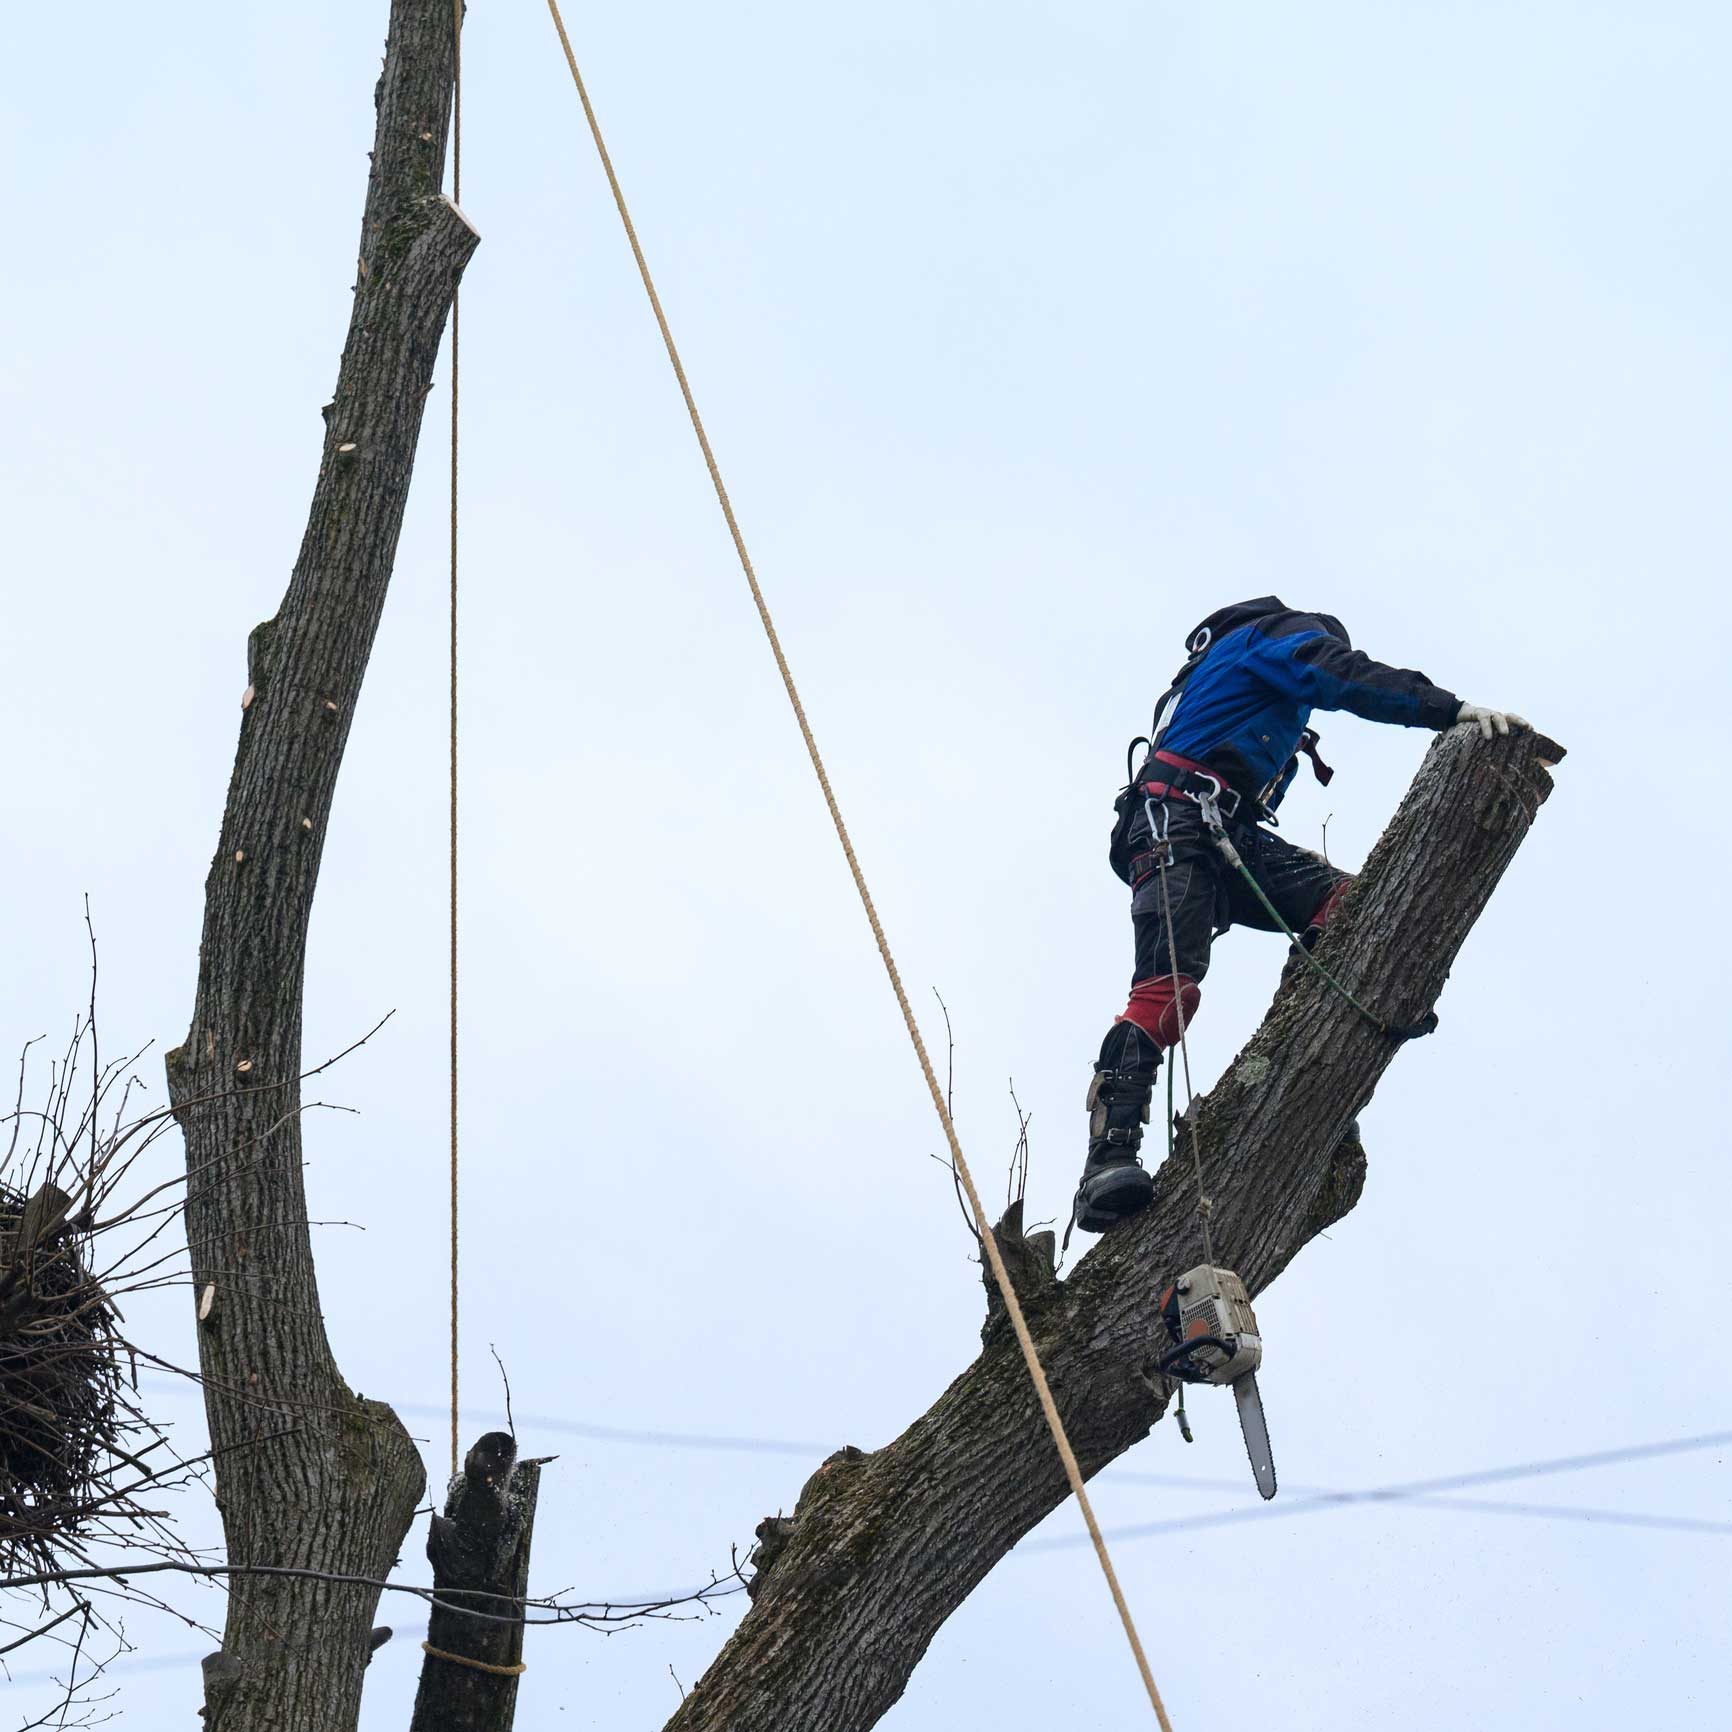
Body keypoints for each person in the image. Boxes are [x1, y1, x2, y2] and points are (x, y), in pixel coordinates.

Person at [1074, 596, 1526, 1236]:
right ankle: (1108, 1158)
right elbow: (1335, 673)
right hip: (1175, 818)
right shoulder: (1273, 639)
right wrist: (1445, 709)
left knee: (1353, 908)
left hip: (1221, 828)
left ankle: (1306, 1040)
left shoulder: (1218, 673)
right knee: (1165, 991)